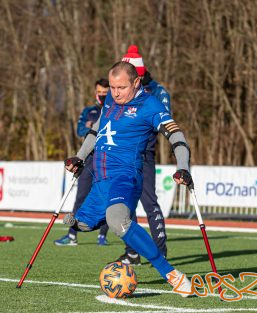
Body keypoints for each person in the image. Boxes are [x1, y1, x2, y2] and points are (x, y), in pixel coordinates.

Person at [63, 61, 192, 295]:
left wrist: (183, 167)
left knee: (117, 220)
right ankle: (100, 217)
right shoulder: (111, 100)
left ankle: (171, 273)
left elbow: (176, 135)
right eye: (112, 87)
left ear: (136, 82)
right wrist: (79, 157)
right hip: (100, 178)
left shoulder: (150, 104)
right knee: (77, 224)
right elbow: (97, 130)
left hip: (126, 176)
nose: (115, 93)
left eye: (121, 87)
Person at [114, 45, 170, 265]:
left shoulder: (158, 92)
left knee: (149, 202)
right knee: (125, 204)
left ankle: (159, 249)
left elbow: (164, 122)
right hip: (122, 155)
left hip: (144, 153)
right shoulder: (120, 92)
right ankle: (133, 252)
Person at [54, 78, 110, 246]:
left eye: (105, 94)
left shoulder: (115, 110)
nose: (101, 97)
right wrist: (92, 127)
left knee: (107, 196)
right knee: (81, 196)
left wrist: (92, 126)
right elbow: (81, 130)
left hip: (108, 158)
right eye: (99, 93)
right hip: (90, 158)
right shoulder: (89, 111)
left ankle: (102, 236)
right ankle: (72, 235)